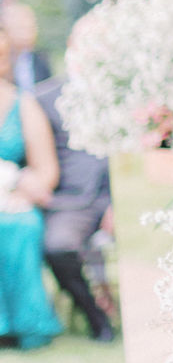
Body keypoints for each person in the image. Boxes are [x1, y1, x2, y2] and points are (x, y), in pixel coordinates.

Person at [35, 75, 115, 343]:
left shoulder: (132, 87)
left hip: (125, 192)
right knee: (58, 246)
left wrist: (118, 203)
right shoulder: (44, 99)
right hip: (73, 201)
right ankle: (96, 317)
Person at [0, 26, 62, 348]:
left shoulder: (23, 104)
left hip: (12, 200)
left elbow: (46, 172)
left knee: (20, 224)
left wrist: (18, 188)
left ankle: (25, 325)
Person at [2, 2, 51, 90]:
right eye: (21, 27)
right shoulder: (3, 63)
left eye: (31, 25)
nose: (28, 32)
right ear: (6, 29)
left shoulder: (42, 59)